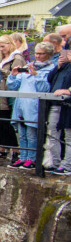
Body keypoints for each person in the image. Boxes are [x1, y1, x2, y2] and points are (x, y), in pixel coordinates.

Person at [7, 42, 55, 169]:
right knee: (22, 134)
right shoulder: (28, 66)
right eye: (36, 53)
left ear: (48, 54)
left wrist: (36, 75)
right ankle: (23, 157)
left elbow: (45, 89)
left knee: (31, 134)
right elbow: (13, 86)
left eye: (41, 54)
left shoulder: (51, 69)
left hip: (34, 106)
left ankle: (32, 159)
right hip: (21, 105)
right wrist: (12, 75)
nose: (38, 56)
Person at [0, 34, 24, 161]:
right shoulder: (2, 58)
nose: (1, 49)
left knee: (7, 123)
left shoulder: (17, 58)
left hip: (8, 94)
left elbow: (16, 75)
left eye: (3, 46)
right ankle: (1, 149)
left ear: (10, 45)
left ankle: (15, 150)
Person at [46, 30, 71, 174]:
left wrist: (68, 91)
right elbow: (50, 79)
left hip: (68, 104)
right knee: (52, 133)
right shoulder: (64, 64)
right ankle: (55, 162)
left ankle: (67, 165)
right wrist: (58, 66)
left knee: (69, 136)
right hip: (56, 103)